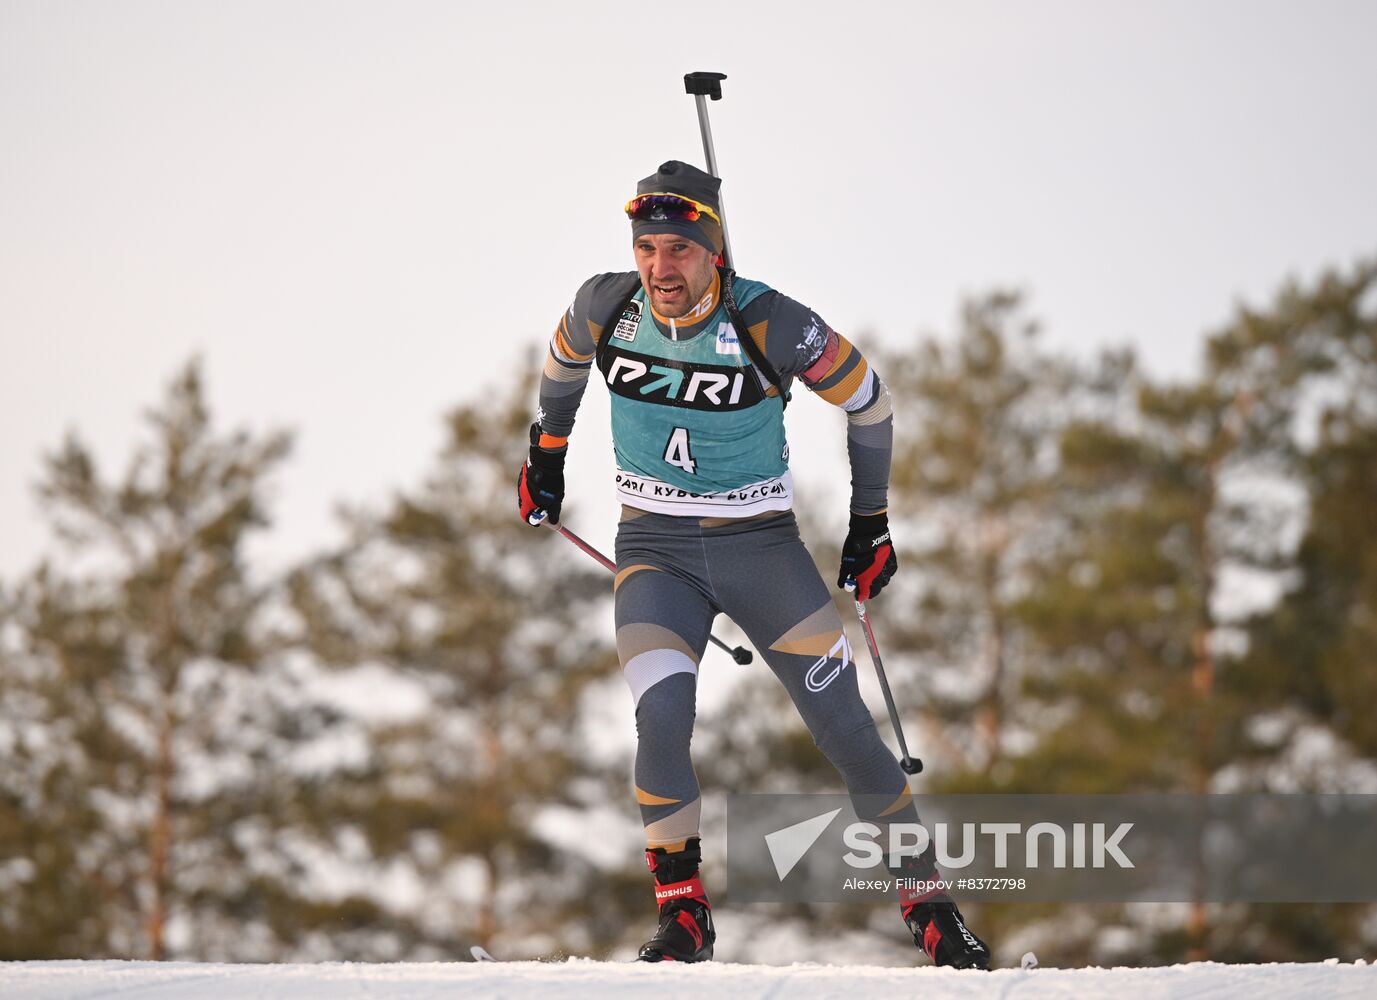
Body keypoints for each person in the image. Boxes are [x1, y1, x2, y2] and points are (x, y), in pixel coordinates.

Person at [517, 160, 990, 969]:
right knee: (660, 721)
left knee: (847, 732)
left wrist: (869, 522)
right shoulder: (607, 304)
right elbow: (561, 366)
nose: (660, 269)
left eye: (678, 250)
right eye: (648, 250)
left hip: (761, 551)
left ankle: (930, 907)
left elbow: (868, 400)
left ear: (713, 250)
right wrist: (547, 450)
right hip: (654, 554)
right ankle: (684, 916)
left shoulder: (768, 320)